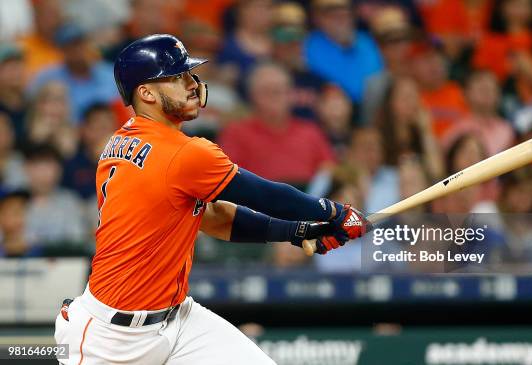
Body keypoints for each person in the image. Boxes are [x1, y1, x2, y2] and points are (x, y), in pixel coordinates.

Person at [54, 34, 368, 365]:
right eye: (177, 77)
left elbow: (214, 218)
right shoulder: (182, 153)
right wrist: (335, 212)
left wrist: (297, 232)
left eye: (189, 75)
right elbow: (262, 194)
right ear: (146, 93)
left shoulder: (121, 140)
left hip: (177, 320)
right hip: (110, 338)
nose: (191, 84)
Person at [219, 62, 335, 188]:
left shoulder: (310, 131)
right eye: (267, 92)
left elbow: (329, 169)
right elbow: (230, 178)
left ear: (292, 95)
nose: (276, 98)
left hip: (308, 199)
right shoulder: (236, 132)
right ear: (252, 97)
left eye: (281, 91)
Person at [28, 24, 120, 124]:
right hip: (64, 133)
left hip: (110, 133)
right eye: (70, 46)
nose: (77, 50)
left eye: (80, 44)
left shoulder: (111, 74)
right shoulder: (47, 77)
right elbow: (30, 107)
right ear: (61, 50)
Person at [304, 0, 383, 104]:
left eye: (345, 11)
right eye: (331, 13)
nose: (340, 16)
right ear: (318, 18)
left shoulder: (367, 41)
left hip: (374, 107)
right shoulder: (308, 45)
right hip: (332, 109)